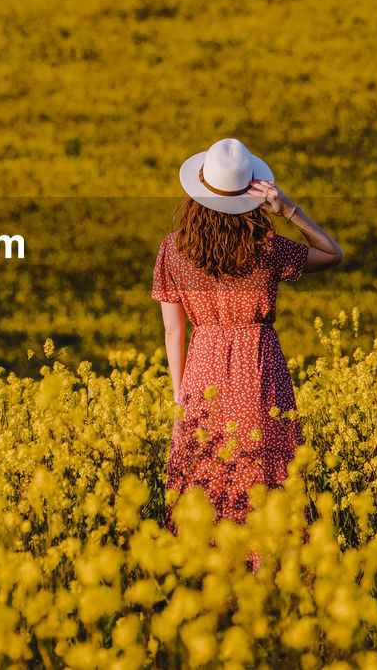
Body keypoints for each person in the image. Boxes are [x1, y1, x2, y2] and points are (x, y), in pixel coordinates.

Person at [152, 137, 343, 572]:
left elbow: (172, 329)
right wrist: (290, 209)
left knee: (203, 472)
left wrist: (181, 397)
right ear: (250, 194)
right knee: (265, 470)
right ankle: (268, 573)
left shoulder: (174, 248)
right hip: (261, 369)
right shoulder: (268, 248)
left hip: (202, 372)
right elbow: (333, 254)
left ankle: (204, 573)